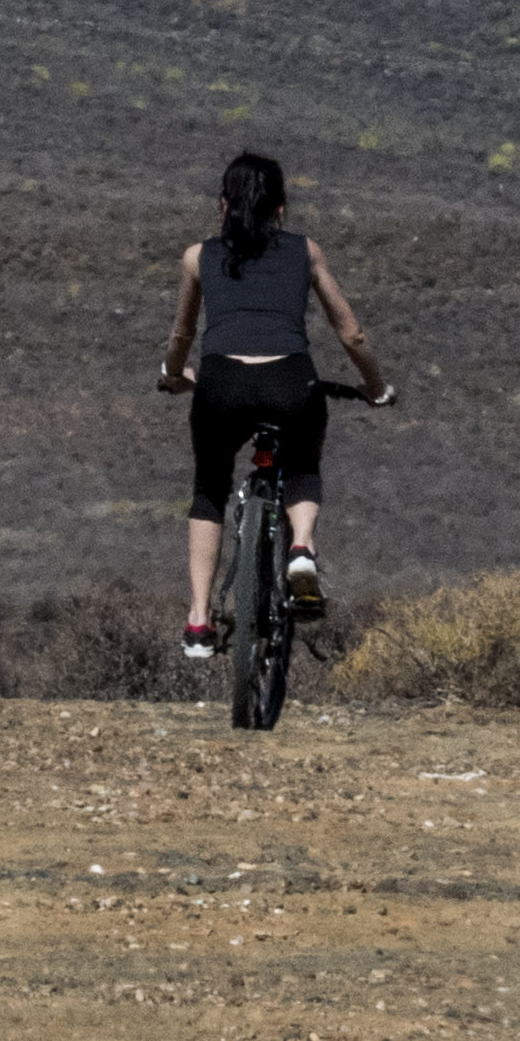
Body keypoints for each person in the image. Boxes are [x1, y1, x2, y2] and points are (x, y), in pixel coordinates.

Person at [156, 146, 388, 665]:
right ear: (281, 206)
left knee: (210, 489)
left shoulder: (198, 257)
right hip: (290, 382)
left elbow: (182, 333)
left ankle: (198, 620)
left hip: (220, 386)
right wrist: (376, 386)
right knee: (303, 462)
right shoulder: (306, 252)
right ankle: (301, 546)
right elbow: (350, 333)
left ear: (222, 206)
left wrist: (174, 377)